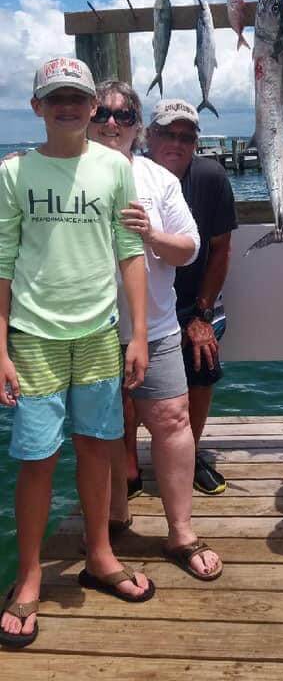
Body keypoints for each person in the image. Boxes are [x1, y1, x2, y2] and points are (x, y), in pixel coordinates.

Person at [0, 58, 153, 650]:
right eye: (55, 97)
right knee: (37, 456)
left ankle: (99, 553)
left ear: (95, 108)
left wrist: (138, 334)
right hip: (35, 337)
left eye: (78, 97)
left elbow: (129, 253)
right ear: (37, 107)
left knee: (99, 446)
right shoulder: (13, 175)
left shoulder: (115, 167)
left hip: (97, 334)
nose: (68, 106)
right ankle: (31, 572)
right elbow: (2, 264)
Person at [88, 81, 222, 580]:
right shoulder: (63, 175)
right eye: (101, 112)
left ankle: (181, 530)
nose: (111, 123)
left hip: (158, 326)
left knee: (170, 420)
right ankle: (115, 514)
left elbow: (189, 248)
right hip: (86, 330)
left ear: (137, 126)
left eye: (124, 116)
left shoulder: (158, 179)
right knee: (100, 430)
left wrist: (150, 234)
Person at [145, 99, 238, 495]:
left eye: (186, 137)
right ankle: (129, 462)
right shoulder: (128, 173)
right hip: (142, 304)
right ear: (149, 135)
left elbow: (221, 249)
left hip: (195, 301)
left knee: (203, 359)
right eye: (167, 133)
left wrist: (200, 315)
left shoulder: (211, 177)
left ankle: (191, 452)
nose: (176, 143)